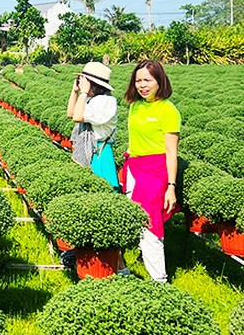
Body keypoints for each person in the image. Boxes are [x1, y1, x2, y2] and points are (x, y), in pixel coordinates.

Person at [122, 60, 180, 283]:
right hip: (134, 168)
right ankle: (126, 271)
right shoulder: (135, 106)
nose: (142, 85)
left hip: (156, 171)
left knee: (150, 224)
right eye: (138, 80)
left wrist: (171, 187)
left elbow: (171, 151)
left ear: (160, 81)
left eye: (148, 80)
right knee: (135, 219)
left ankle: (159, 281)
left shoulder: (168, 110)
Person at [66, 62, 119, 190]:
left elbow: (78, 117)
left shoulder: (106, 101)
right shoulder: (92, 99)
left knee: (102, 189)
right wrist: (75, 92)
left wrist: (83, 94)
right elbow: (71, 113)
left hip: (99, 150)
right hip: (89, 148)